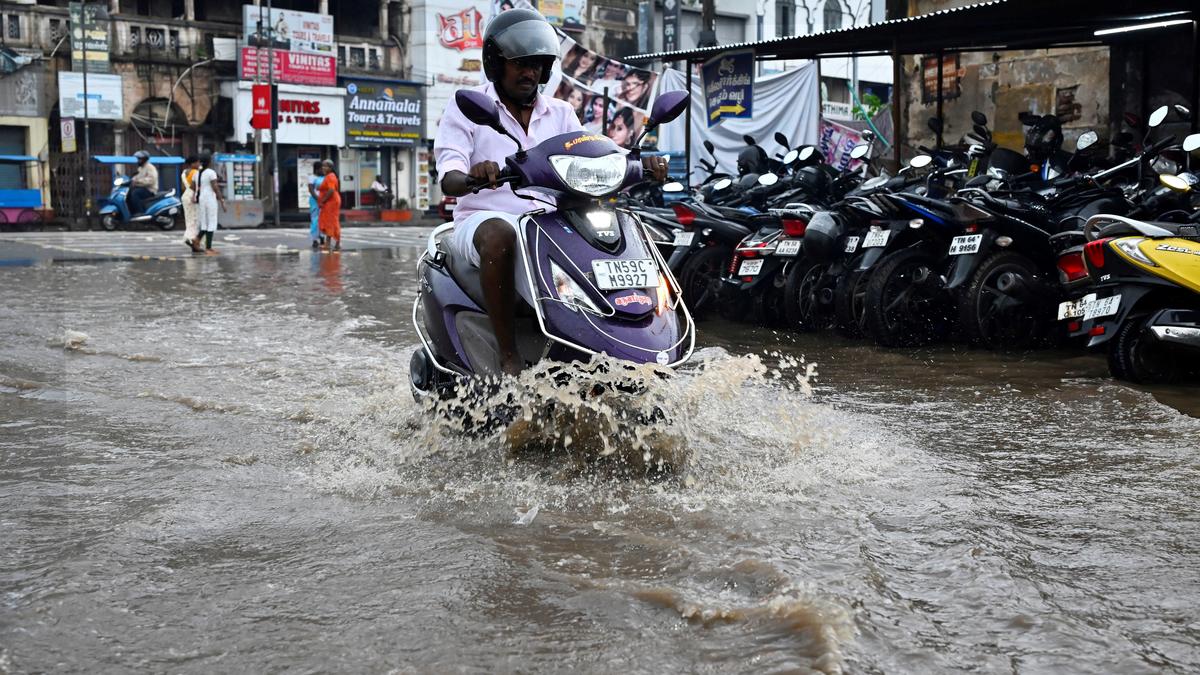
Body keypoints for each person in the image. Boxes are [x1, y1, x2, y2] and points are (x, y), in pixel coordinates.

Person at [434, 8, 668, 376]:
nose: (530, 73)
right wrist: (473, 175)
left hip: (548, 223)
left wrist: (642, 162)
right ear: (497, 64)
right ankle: (508, 355)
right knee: (502, 234)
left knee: (617, 234)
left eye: (538, 65)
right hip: (483, 220)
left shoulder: (560, 112)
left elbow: (594, 148)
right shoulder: (469, 108)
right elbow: (449, 177)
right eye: (520, 64)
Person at [196, 154, 226, 254]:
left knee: (204, 223)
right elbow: (215, 187)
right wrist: (221, 200)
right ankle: (208, 247)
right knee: (212, 222)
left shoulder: (197, 173)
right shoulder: (211, 172)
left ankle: (197, 240)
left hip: (201, 198)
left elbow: (193, 186)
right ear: (209, 162)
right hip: (209, 199)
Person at [318, 159, 342, 252]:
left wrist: (323, 201)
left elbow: (331, 190)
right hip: (331, 201)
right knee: (329, 221)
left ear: (331, 168)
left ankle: (335, 243)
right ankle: (330, 243)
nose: (323, 168)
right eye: (323, 166)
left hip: (331, 202)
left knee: (332, 222)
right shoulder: (329, 176)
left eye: (326, 166)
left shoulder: (330, 176)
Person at [180, 155, 201, 252]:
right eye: (197, 162)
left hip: (185, 196)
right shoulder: (195, 172)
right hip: (193, 196)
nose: (198, 164)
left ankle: (194, 244)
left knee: (189, 219)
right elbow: (197, 186)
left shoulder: (184, 172)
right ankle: (190, 238)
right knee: (195, 220)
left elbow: (183, 187)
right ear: (192, 163)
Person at [128, 150, 158, 216]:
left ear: (144, 159)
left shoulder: (150, 167)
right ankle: (131, 212)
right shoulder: (141, 168)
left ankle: (140, 212)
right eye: (138, 159)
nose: (138, 161)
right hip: (143, 188)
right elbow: (137, 177)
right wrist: (131, 180)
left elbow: (151, 180)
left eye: (139, 159)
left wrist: (138, 181)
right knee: (128, 192)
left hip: (150, 190)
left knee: (135, 193)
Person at [307, 161, 324, 250]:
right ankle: (314, 239)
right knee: (315, 219)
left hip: (324, 200)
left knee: (323, 219)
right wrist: (318, 199)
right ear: (317, 169)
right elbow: (311, 190)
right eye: (321, 169)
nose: (323, 170)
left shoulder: (324, 177)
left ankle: (322, 236)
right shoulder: (311, 178)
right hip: (314, 200)